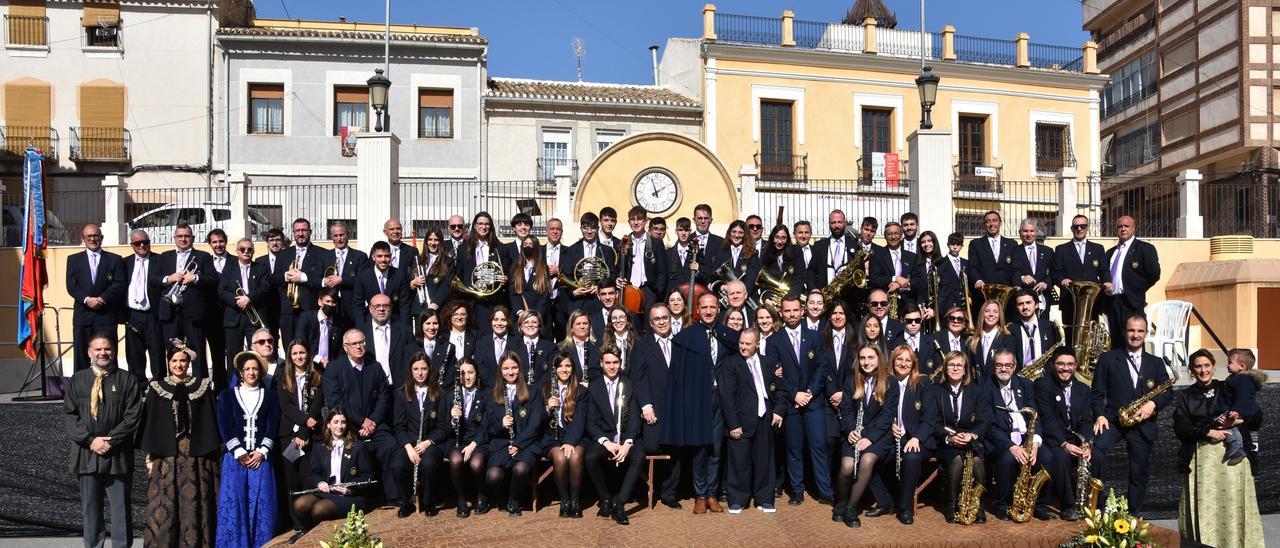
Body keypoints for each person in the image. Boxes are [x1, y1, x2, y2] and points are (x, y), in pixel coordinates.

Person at [1173, 349, 1264, 547]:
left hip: (1234, 463)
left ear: (1214, 367)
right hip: (1201, 464)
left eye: (1207, 365)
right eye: (1198, 366)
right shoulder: (1185, 397)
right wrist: (1208, 432)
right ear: (1191, 370)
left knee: (1233, 509)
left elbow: (1257, 418)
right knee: (1205, 509)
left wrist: (1238, 420)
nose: (1203, 370)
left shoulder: (1231, 385)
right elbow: (1181, 429)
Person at [65, 333, 144, 548]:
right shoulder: (77, 380)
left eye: (107, 349)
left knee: (121, 510)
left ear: (113, 351)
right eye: (98, 349)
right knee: (90, 510)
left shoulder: (127, 379)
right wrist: (91, 441)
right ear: (89, 352)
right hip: (86, 454)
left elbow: (133, 416)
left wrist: (110, 441)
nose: (103, 353)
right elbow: (70, 416)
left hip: (117, 455)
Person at [663, 292, 739, 514]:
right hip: (697, 399)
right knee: (699, 449)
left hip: (720, 399)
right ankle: (700, 495)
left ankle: (712, 494)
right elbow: (677, 375)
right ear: (697, 310)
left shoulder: (729, 335)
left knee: (716, 448)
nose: (708, 311)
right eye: (704, 307)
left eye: (712, 307)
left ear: (718, 309)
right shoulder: (686, 337)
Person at [1089, 314, 1171, 514]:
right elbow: (1097, 392)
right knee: (1097, 452)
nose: (1135, 335)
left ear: (1146, 333)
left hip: (1142, 424)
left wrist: (1152, 404)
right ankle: (1096, 507)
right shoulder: (1108, 358)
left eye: (1140, 331)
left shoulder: (1156, 362)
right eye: (1131, 330)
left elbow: (1168, 392)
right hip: (1113, 420)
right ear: (1125, 332)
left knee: (1138, 471)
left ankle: (1133, 513)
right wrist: (1099, 415)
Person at [138, 346, 219, 547]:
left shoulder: (202, 386)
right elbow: (151, 424)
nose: (178, 365)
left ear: (188, 363)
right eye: (174, 361)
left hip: (196, 456)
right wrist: (149, 457)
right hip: (167, 454)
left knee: (195, 502)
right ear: (168, 363)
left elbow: (210, 421)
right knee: (164, 502)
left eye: (182, 360)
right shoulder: (157, 388)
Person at [768, 294, 832, 506]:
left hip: (813, 403)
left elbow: (822, 367)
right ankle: (797, 490)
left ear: (802, 310)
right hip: (791, 404)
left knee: (819, 446)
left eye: (795, 310)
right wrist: (795, 393)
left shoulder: (815, 337)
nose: (792, 314)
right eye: (787, 311)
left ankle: (825, 490)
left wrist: (810, 392)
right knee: (793, 448)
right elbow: (775, 375)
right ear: (781, 313)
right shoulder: (773, 341)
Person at [322, 329, 397, 505]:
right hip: (348, 427)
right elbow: (336, 403)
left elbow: (384, 396)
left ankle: (393, 497)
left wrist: (373, 421)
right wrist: (361, 422)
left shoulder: (374, 366)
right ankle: (360, 498)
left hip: (376, 423)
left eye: (361, 342)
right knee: (356, 453)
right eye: (354, 344)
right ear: (345, 347)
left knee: (390, 446)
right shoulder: (334, 369)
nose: (359, 347)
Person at [216, 352, 279, 547]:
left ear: (260, 372)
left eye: (255, 369)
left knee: (263, 506)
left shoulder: (270, 396)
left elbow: (272, 425)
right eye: (247, 369)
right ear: (241, 373)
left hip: (261, 459)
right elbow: (225, 425)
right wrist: (239, 451)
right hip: (235, 459)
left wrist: (261, 451)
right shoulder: (227, 396)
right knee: (235, 506)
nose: (251, 372)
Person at [720, 327, 784, 514]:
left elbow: (780, 389)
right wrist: (733, 424)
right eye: (741, 343)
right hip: (740, 420)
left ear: (757, 344)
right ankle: (738, 499)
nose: (743, 347)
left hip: (765, 418)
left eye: (748, 344)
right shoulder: (731, 364)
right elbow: (727, 397)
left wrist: (779, 410)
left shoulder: (769, 363)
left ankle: (765, 499)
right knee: (739, 461)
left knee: (764, 460)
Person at [985, 349, 1054, 521]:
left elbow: (1035, 416)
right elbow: (988, 426)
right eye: (999, 365)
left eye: (1008, 365)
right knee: (1007, 459)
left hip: (1026, 437)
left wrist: (1035, 444)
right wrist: (1012, 447)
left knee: (1048, 457)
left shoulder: (1026, 385)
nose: (1004, 369)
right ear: (994, 367)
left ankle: (1039, 505)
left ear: (1014, 366)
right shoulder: (985, 388)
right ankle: (1002, 504)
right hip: (1001, 440)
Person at [835, 345, 899, 528]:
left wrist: (870, 437)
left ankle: (851, 508)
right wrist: (850, 431)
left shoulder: (890, 383)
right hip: (855, 432)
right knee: (847, 466)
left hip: (878, 436)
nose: (866, 362)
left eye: (871, 357)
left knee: (867, 460)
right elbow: (846, 411)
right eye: (862, 358)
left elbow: (887, 415)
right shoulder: (851, 381)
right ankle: (839, 504)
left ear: (879, 359)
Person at [289, 408, 376, 540]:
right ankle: (308, 531)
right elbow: (314, 473)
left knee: (319, 509)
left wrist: (350, 490)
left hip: (350, 496)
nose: (339, 426)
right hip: (326, 492)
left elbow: (368, 476)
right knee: (300, 504)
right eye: (336, 422)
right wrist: (320, 482)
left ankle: (316, 537)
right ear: (328, 424)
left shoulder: (358, 447)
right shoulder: (320, 447)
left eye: (343, 422)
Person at [584, 347, 645, 525]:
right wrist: (606, 442)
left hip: (627, 436)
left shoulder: (628, 384)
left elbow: (635, 417)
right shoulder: (594, 387)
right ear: (601, 364)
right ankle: (605, 498)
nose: (612, 366)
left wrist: (628, 442)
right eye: (608, 363)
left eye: (615, 362)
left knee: (639, 455)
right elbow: (591, 421)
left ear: (620, 363)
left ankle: (620, 503)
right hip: (605, 436)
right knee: (590, 457)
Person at [1034, 348, 1093, 521]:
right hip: (1052, 438)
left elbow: (1087, 420)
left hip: (1076, 438)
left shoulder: (1083, 389)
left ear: (1075, 366)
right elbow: (1047, 419)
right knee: (1060, 457)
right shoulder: (1042, 385)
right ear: (1053, 365)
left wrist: (1086, 444)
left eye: (1069, 364)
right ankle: (1068, 505)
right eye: (1060, 364)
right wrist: (1064, 444)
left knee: (1098, 456)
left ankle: (1095, 504)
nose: (1065, 368)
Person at [631, 303, 681, 508]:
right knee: (652, 446)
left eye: (665, 318)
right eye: (657, 319)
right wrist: (646, 405)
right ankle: (645, 488)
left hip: (678, 409)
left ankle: (669, 494)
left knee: (677, 448)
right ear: (651, 324)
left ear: (671, 319)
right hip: (654, 408)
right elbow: (638, 378)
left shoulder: (681, 343)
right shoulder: (642, 345)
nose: (662, 322)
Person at [483, 352, 545, 516]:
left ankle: (513, 500)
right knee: (492, 476)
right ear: (500, 371)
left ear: (520, 369)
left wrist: (519, 444)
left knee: (521, 468)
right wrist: (500, 425)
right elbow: (488, 426)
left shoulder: (533, 390)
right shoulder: (492, 394)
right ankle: (502, 498)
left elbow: (536, 423)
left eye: (514, 368)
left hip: (527, 443)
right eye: (506, 368)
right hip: (502, 442)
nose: (510, 372)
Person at [935, 351, 991, 524]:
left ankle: (979, 505)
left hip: (971, 441)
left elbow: (983, 420)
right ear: (945, 369)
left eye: (959, 365)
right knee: (957, 460)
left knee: (977, 462)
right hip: (947, 443)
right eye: (951, 365)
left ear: (966, 370)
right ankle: (951, 505)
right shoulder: (936, 391)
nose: (955, 368)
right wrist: (949, 438)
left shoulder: (977, 391)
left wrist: (972, 435)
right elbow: (933, 422)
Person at [390, 352, 448, 517]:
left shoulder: (439, 394)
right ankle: (406, 502)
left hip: (430, 443)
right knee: (397, 465)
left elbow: (444, 426)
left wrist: (429, 441)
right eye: (416, 369)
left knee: (429, 464)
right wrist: (408, 447)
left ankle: (429, 502)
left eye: (423, 368)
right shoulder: (402, 394)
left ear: (429, 370)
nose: (420, 373)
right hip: (409, 443)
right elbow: (399, 425)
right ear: (411, 371)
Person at [275, 339, 324, 535]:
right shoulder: (282, 377)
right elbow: (286, 406)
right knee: (291, 480)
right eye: (294, 354)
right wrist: (302, 424)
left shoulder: (317, 376)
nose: (299, 357)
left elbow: (317, 405)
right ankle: (297, 522)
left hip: (309, 436)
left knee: (307, 477)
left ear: (308, 354)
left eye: (302, 353)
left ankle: (310, 518)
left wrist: (304, 431)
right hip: (288, 436)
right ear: (290, 356)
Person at [156, 224, 217, 378]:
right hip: (171, 312)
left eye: (187, 236)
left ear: (193, 238)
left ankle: (200, 388)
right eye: (180, 236)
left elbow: (213, 279)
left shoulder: (203, 257)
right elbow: (153, 279)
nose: (183, 239)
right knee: (172, 351)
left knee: (197, 352)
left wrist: (195, 278)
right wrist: (168, 279)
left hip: (194, 313)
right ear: (174, 238)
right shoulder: (164, 256)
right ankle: (173, 387)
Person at [886, 345, 936, 525]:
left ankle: (904, 507)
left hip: (917, 438)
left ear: (913, 363)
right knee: (871, 454)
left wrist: (917, 438)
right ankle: (885, 500)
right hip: (892, 436)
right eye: (899, 359)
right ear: (893, 361)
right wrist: (890, 425)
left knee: (912, 457)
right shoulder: (885, 382)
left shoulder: (923, 383)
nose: (903, 363)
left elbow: (930, 418)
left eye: (908, 360)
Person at [68, 224, 126, 372]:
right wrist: (87, 299)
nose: (93, 239)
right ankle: (81, 388)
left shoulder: (114, 259)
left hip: (105, 315)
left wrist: (101, 299)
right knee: (81, 353)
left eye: (96, 236)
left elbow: (119, 284)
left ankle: (112, 386)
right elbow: (71, 286)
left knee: (107, 352)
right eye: (89, 236)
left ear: (101, 238)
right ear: (83, 239)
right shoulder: (74, 260)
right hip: (83, 315)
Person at [539, 352, 588, 518]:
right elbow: (536, 419)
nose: (564, 369)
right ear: (554, 369)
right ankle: (564, 500)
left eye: (567, 366)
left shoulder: (581, 390)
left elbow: (580, 420)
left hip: (576, 436)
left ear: (573, 368)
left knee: (574, 456)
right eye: (560, 366)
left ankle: (575, 501)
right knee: (559, 457)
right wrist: (547, 408)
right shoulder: (545, 388)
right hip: (552, 436)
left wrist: (569, 441)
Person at [219, 237, 271, 383]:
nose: (246, 252)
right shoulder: (229, 269)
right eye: (242, 249)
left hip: (255, 317)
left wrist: (249, 298)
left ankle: (258, 384)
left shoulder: (260, 268)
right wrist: (238, 302)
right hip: (234, 318)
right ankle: (234, 387)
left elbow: (265, 288)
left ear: (253, 251)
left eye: (249, 249)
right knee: (233, 356)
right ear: (237, 251)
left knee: (257, 353)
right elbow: (222, 291)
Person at [1052, 214, 1109, 348]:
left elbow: (1104, 270)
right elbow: (1055, 272)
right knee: (1071, 336)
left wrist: (1107, 281)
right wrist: (1062, 280)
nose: (1079, 229)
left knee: (1091, 337)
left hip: (1092, 302)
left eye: (1082, 226)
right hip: (1070, 301)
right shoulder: (1061, 249)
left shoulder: (1098, 249)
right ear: (1072, 229)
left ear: (1087, 228)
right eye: (1076, 226)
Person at [1104, 216, 1161, 348]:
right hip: (1113, 302)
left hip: (1132, 302)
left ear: (1134, 228)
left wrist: (1137, 289)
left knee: (1134, 341)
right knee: (1116, 341)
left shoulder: (1145, 249)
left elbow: (1154, 274)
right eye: (1120, 226)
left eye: (1126, 226)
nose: (1123, 229)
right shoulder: (1110, 253)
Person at [271, 219, 328, 347]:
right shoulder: (283, 254)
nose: (300, 234)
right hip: (287, 310)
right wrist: (287, 275)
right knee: (289, 347)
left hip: (310, 308)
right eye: (297, 231)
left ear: (310, 232)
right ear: (293, 232)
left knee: (310, 346)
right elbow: (274, 279)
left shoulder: (322, 254)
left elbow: (324, 282)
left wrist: (303, 278)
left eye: (304, 230)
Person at [446, 358, 489, 517]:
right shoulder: (451, 395)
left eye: (471, 372)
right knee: (456, 460)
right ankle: (461, 499)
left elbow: (487, 424)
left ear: (477, 373)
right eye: (463, 374)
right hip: (456, 440)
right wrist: (452, 417)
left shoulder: (486, 394)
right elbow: (443, 427)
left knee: (476, 463)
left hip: (479, 441)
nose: (467, 377)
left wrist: (473, 444)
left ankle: (481, 495)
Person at [121, 229, 165, 379]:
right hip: (133, 314)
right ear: (131, 245)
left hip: (153, 314)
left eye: (145, 242)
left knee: (157, 352)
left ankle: (159, 386)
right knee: (134, 354)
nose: (142, 245)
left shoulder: (160, 261)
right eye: (137, 243)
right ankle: (138, 386)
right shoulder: (125, 263)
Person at [618, 206, 670, 320]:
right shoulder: (624, 242)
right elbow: (620, 268)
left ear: (645, 221)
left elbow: (662, 271)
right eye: (633, 219)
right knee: (630, 323)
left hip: (649, 290)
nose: (636, 222)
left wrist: (656, 292)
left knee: (649, 324)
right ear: (628, 221)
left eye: (639, 219)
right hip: (629, 290)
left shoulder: (656, 243)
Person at [459, 211, 509, 328]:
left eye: (486, 224)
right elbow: (460, 274)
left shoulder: (500, 248)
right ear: (475, 226)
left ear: (490, 226)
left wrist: (505, 278)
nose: (483, 227)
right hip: (471, 300)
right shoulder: (463, 248)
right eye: (480, 224)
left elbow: (507, 273)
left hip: (492, 301)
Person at [560, 212, 617, 314]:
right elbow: (566, 277)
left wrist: (600, 287)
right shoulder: (572, 250)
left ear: (598, 228)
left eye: (593, 228)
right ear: (581, 228)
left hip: (600, 302)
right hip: (578, 302)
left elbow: (612, 275)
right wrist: (574, 292)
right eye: (586, 228)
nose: (589, 231)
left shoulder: (607, 251)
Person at [966, 211, 1018, 322]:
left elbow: (1015, 269)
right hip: (983, 295)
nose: (991, 224)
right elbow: (972, 267)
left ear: (1000, 223)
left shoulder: (1011, 244)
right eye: (988, 221)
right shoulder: (976, 244)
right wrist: (977, 280)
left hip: (1006, 297)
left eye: (994, 221)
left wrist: (1016, 285)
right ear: (984, 225)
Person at [1221, 348, 1264, 466]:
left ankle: (1236, 447)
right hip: (1236, 411)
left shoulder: (1242, 380)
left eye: (1230, 362)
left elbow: (1243, 397)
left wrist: (1236, 410)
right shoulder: (1235, 378)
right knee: (1229, 426)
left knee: (1228, 427)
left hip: (1241, 412)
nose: (1227, 364)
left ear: (1242, 366)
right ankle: (1236, 447)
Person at [362, 293, 415, 388]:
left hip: (399, 387)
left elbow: (411, 358)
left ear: (391, 308)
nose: (381, 309)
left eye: (385, 306)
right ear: (370, 309)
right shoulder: (361, 332)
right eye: (377, 306)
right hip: (371, 385)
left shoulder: (404, 331)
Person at [323, 222, 368, 331]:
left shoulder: (360, 256)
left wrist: (342, 280)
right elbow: (316, 279)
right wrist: (324, 281)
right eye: (335, 236)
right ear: (332, 237)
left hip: (352, 308)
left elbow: (364, 280)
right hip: (331, 307)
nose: (339, 239)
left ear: (347, 235)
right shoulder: (324, 256)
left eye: (341, 235)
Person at [354, 241, 412, 326]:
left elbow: (405, 304)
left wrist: (405, 328)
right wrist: (361, 326)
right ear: (373, 257)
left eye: (387, 256)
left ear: (391, 257)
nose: (383, 260)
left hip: (394, 322)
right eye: (379, 256)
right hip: (370, 322)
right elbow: (358, 304)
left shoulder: (399, 275)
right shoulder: (363, 276)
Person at [1010, 219, 1054, 320]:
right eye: (1025, 231)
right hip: (1022, 301)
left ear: (1036, 232)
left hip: (1042, 299)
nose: (1028, 234)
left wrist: (1046, 283)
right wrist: (1021, 278)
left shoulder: (1048, 251)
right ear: (1020, 233)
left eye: (1031, 231)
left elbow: (1054, 273)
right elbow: (1010, 272)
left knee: (1042, 330)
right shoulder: (1014, 251)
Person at [808, 210, 857, 298]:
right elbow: (811, 271)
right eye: (833, 222)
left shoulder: (855, 245)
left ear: (845, 223)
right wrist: (813, 289)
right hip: (825, 295)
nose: (837, 226)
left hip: (849, 296)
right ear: (829, 224)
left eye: (840, 222)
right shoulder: (819, 246)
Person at [1010, 289, 1059, 371]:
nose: (1025, 307)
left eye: (1028, 302)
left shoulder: (1050, 327)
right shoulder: (1010, 329)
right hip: (1020, 379)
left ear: (1036, 305)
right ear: (1016, 307)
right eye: (1020, 304)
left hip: (1045, 378)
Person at [967, 300, 1015, 382]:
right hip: (977, 389)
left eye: (995, 311)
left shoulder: (1008, 339)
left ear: (1000, 315)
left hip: (997, 388)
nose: (991, 314)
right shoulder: (972, 340)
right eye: (987, 311)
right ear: (982, 314)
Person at [510, 234, 553, 322]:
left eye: (531, 244)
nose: (528, 247)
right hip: (520, 317)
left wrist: (536, 315)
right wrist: (520, 312)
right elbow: (512, 292)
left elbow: (545, 295)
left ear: (536, 247)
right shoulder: (515, 267)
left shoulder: (543, 268)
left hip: (538, 317)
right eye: (525, 244)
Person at [474, 305, 518, 389]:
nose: (499, 323)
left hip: (513, 388)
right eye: (496, 320)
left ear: (508, 322)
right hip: (489, 389)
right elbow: (479, 366)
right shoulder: (482, 342)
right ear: (491, 321)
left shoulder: (517, 342)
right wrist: (495, 385)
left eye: (503, 320)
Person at [294, 289, 342, 366]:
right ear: (320, 302)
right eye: (328, 301)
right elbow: (300, 342)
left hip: (331, 365)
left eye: (333, 302)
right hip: (309, 362)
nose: (330, 304)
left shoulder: (339, 322)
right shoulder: (306, 318)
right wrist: (319, 359)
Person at [414, 227, 454, 317]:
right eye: (430, 239)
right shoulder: (419, 259)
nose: (432, 243)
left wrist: (435, 303)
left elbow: (447, 285)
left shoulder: (448, 261)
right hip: (420, 309)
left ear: (440, 242)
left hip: (437, 308)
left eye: (436, 240)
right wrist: (413, 283)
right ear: (426, 241)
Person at [515, 310, 557, 389]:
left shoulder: (551, 347)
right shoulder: (512, 346)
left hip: (543, 391)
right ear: (521, 326)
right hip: (519, 391)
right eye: (526, 322)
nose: (530, 325)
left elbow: (552, 371)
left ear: (540, 325)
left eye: (534, 322)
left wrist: (537, 389)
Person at [561, 309, 601, 385]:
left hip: (594, 389)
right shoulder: (562, 348)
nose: (582, 326)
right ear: (571, 328)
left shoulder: (599, 346)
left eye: (585, 323)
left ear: (589, 326)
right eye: (578, 324)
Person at [421, 312, 457, 390]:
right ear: (421, 325)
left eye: (435, 323)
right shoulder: (410, 348)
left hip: (440, 394)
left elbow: (450, 377)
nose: (432, 327)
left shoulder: (449, 347)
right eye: (427, 323)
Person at [603, 307, 638, 374]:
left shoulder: (637, 341)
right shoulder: (604, 342)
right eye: (614, 318)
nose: (618, 320)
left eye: (621, 317)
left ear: (627, 320)